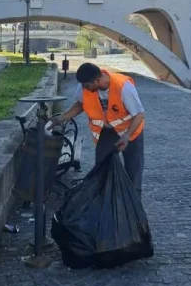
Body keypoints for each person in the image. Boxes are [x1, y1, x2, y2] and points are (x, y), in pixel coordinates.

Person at [50, 63, 145, 196]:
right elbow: (81, 104)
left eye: (86, 86)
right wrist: (63, 117)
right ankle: (103, 200)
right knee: (101, 167)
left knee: (133, 170)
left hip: (131, 132)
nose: (83, 88)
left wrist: (127, 136)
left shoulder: (123, 87)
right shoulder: (85, 84)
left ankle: (134, 207)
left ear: (97, 80)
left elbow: (139, 114)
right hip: (107, 132)